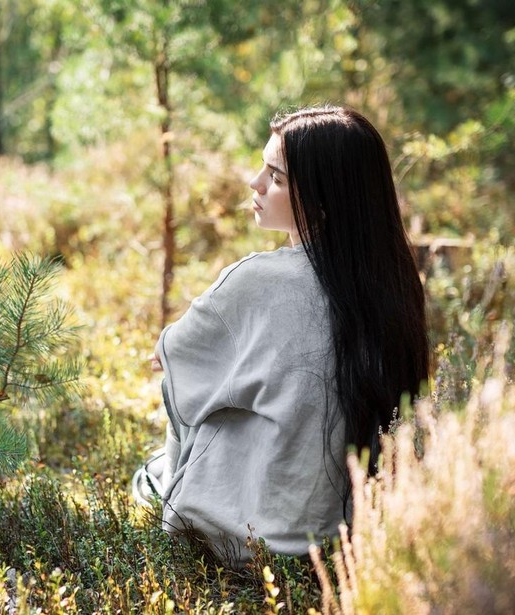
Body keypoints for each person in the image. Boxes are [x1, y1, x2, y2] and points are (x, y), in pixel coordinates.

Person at [132, 105, 429, 566]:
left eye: (276, 176)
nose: (255, 183)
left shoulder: (256, 282)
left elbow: (169, 361)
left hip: (244, 537)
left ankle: (172, 500)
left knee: (184, 387)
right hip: (339, 538)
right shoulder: (394, 287)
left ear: (325, 198)